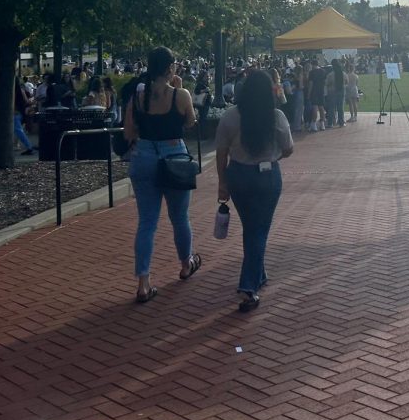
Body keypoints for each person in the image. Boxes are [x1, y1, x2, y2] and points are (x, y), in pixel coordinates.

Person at [123, 46, 200, 304]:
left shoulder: (137, 95)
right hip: (174, 155)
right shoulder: (180, 94)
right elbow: (190, 122)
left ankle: (143, 282)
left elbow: (128, 133)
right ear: (169, 68)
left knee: (147, 222)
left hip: (143, 155)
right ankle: (186, 262)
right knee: (179, 216)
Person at [215, 69, 294, 313]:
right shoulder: (276, 116)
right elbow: (289, 148)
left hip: (238, 175)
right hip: (267, 175)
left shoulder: (230, 116)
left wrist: (222, 182)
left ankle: (258, 274)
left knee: (251, 227)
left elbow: (221, 152)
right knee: (259, 230)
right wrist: (275, 156)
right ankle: (248, 287)